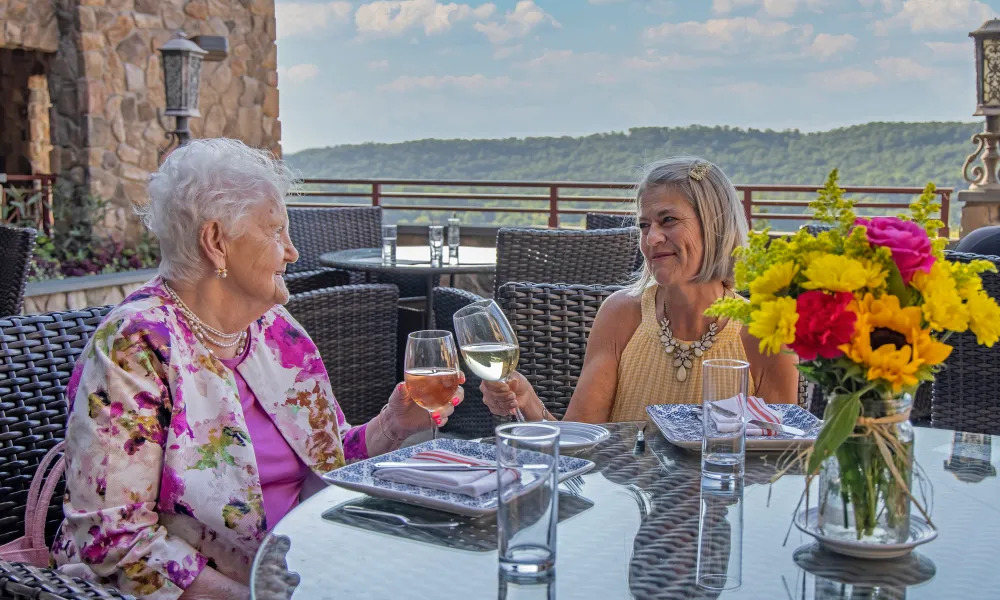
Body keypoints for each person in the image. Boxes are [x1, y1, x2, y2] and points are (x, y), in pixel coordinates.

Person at [51, 138, 462, 600]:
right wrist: (252, 595)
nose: (292, 252)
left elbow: (327, 460)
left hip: (314, 564)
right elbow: (112, 542)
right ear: (216, 242)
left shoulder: (274, 331)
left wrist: (391, 425)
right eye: (275, 232)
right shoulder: (135, 348)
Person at [481, 156, 798, 423]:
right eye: (645, 225)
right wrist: (527, 402)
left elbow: (780, 465)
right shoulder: (622, 314)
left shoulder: (764, 333)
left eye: (668, 220)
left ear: (714, 226)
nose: (652, 238)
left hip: (721, 497)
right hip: (621, 497)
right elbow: (578, 441)